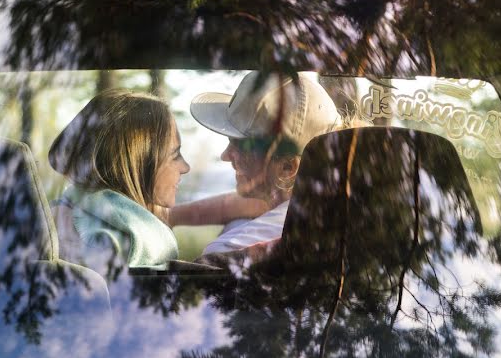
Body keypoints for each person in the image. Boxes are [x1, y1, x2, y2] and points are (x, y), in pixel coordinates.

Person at [169, 71, 341, 260]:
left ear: (287, 168)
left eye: (242, 146)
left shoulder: (229, 250)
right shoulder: (332, 209)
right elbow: (242, 204)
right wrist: (172, 215)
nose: (225, 155)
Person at [48, 90, 190, 275]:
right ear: (138, 161)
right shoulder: (131, 239)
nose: (186, 167)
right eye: (175, 155)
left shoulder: (58, 214)